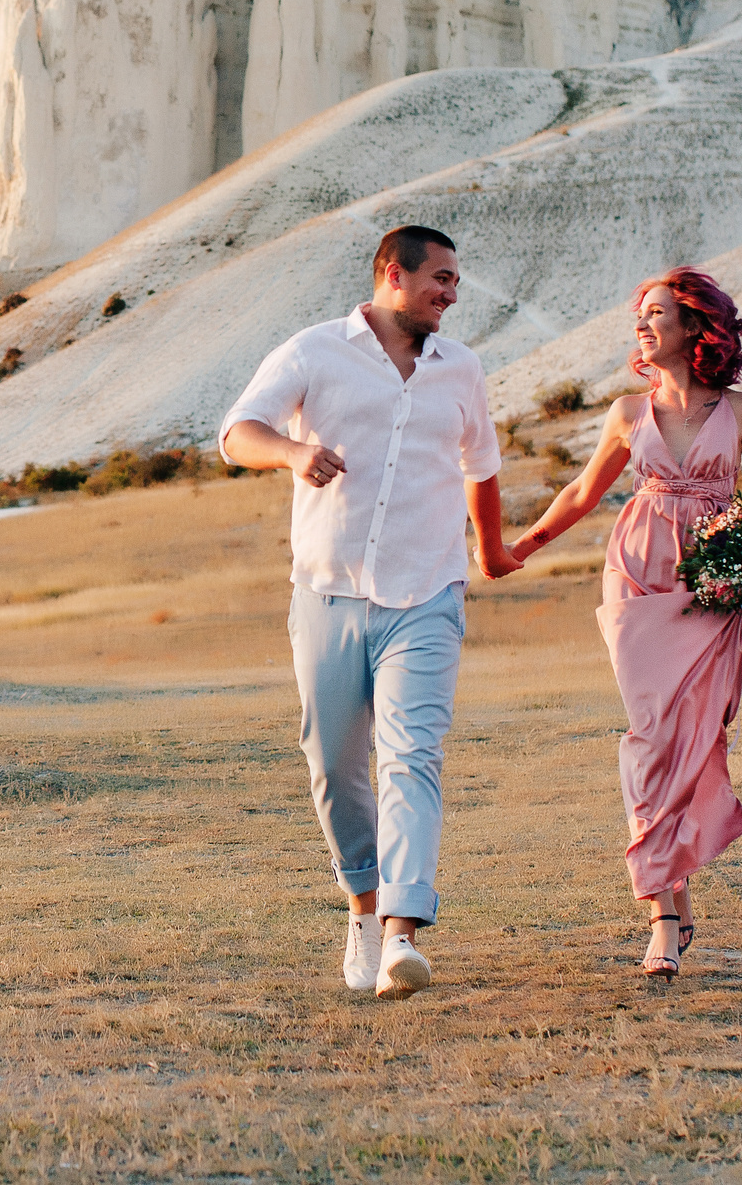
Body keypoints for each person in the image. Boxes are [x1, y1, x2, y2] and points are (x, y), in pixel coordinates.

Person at [220, 225, 518, 1001]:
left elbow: (481, 466)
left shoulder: (462, 369)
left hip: (427, 593)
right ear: (393, 274)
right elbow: (237, 433)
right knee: (332, 764)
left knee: (412, 756)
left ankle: (401, 934)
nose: (451, 294)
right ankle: (362, 903)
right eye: (441, 279)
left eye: (456, 282)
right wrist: (293, 453)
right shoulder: (314, 351)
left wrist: (490, 549)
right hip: (327, 591)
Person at [506, 267, 742, 978]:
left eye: (656, 313)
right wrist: (519, 549)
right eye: (640, 314)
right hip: (637, 579)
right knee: (651, 739)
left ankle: (675, 886)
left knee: (694, 741)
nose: (641, 325)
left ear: (695, 326)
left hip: (715, 587)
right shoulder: (626, 413)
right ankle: (663, 915)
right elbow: (582, 491)